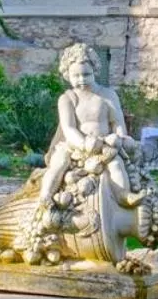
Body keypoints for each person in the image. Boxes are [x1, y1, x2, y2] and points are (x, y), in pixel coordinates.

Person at [36, 43, 139, 214]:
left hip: (104, 145)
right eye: (75, 76)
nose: (81, 80)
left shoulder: (107, 95)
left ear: (95, 71)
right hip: (74, 146)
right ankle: (45, 195)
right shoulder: (67, 98)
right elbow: (68, 127)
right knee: (59, 163)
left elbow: (117, 122)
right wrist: (84, 143)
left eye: (86, 74)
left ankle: (123, 195)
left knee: (116, 165)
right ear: (67, 75)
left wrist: (120, 137)